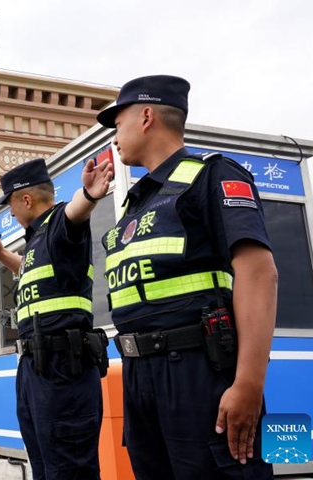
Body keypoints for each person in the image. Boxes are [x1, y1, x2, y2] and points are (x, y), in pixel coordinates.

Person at [96, 75, 276, 479]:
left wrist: (248, 382)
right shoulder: (138, 203)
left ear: (146, 117)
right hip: (141, 376)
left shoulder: (210, 176)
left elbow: (259, 273)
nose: (114, 136)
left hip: (197, 371)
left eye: (118, 122)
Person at [0, 156, 113, 480]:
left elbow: (74, 213)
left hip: (65, 369)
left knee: (69, 469)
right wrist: (2, 255)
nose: (10, 212)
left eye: (10, 204)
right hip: (36, 370)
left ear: (26, 199)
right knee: (46, 467)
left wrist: (88, 196)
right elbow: (30, 268)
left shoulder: (61, 225)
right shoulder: (37, 241)